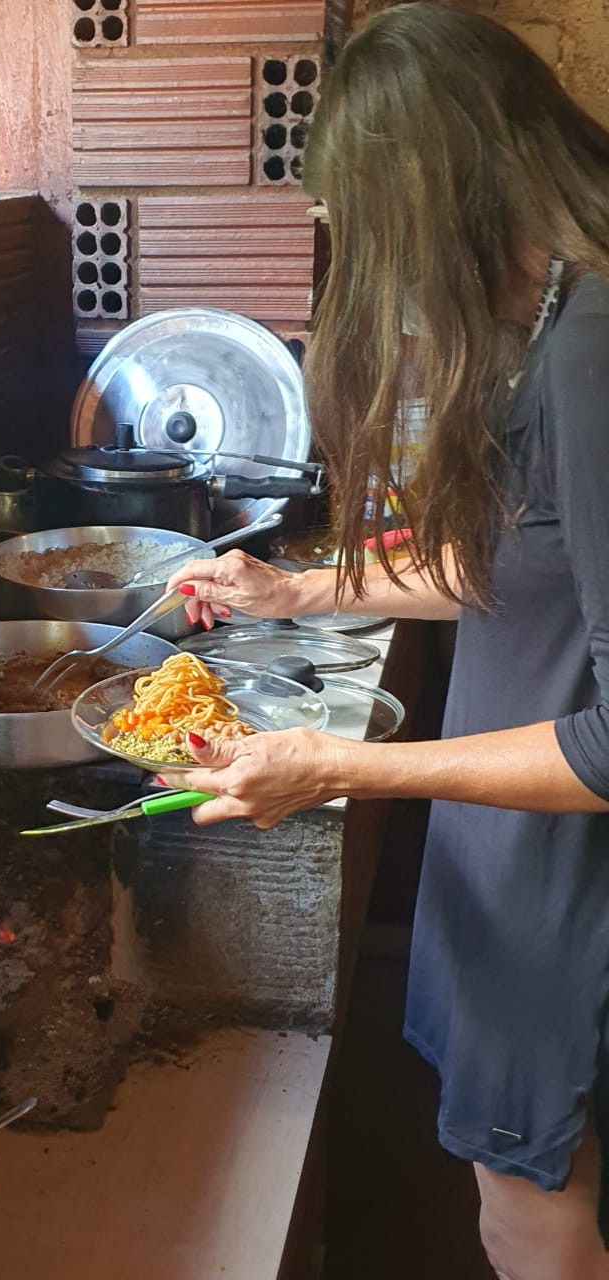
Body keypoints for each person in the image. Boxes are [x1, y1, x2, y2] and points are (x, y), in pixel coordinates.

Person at [160, 6, 609, 1278]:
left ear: (438, 192)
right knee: (514, 1209)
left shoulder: (590, 348)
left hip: (566, 894)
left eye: (366, 223)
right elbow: (518, 569)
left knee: (535, 1225)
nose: (371, 264)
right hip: (520, 869)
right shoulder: (560, 320)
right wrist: (296, 589)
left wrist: (338, 764)